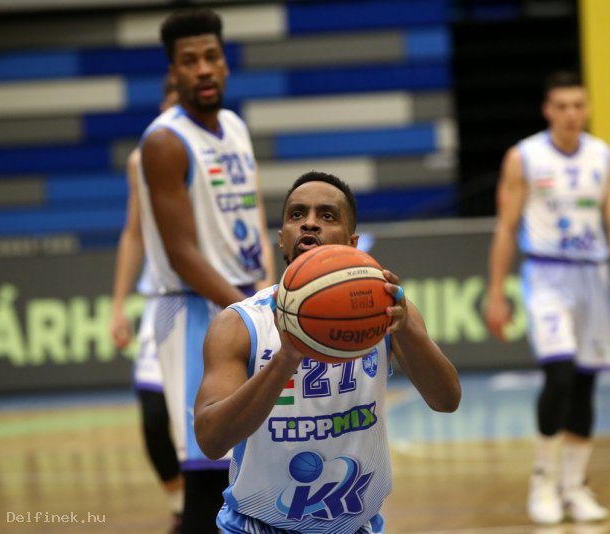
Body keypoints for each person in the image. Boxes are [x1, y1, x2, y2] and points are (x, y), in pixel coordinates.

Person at [194, 171, 462, 533]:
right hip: (256, 526)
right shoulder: (239, 325)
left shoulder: (386, 314)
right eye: (297, 214)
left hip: (356, 526)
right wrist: (285, 359)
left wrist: (409, 332)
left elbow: (446, 400)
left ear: (352, 243)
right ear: (282, 237)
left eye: (327, 215)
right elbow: (211, 441)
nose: (309, 223)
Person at [138, 8, 276, 532]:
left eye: (211, 56)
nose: (203, 69)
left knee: (250, 463)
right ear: (173, 72)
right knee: (207, 472)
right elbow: (182, 254)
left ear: (225, 63)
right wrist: (255, 309)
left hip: (242, 298)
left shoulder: (235, 126)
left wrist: (265, 289)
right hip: (193, 310)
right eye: (189, 60)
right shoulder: (164, 142)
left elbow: (251, 224)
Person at [484, 71, 610, 524]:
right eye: (562, 106)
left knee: (586, 382)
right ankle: (543, 480)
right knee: (560, 373)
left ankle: (574, 486)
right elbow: (506, 228)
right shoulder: (524, 157)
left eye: (578, 105)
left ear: (587, 108)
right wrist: (496, 293)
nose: (571, 113)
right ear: (547, 110)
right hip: (547, 273)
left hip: (593, 275)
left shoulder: (604, 157)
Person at [110, 78, 184, 532]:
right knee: (154, 417)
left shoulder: (222, 149)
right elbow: (134, 232)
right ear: (162, 106)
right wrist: (118, 304)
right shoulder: (141, 160)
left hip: (214, 300)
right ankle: (179, 505)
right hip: (163, 301)